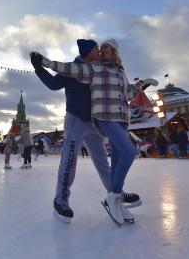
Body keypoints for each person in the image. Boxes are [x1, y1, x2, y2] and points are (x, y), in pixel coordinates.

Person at [31, 39, 143, 225]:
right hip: (76, 119)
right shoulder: (76, 68)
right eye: (96, 48)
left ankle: (115, 194)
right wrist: (39, 68)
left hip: (94, 122)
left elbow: (119, 88)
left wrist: (136, 86)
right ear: (87, 51)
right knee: (69, 161)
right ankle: (61, 199)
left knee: (102, 162)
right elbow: (53, 84)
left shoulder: (100, 67)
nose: (99, 51)